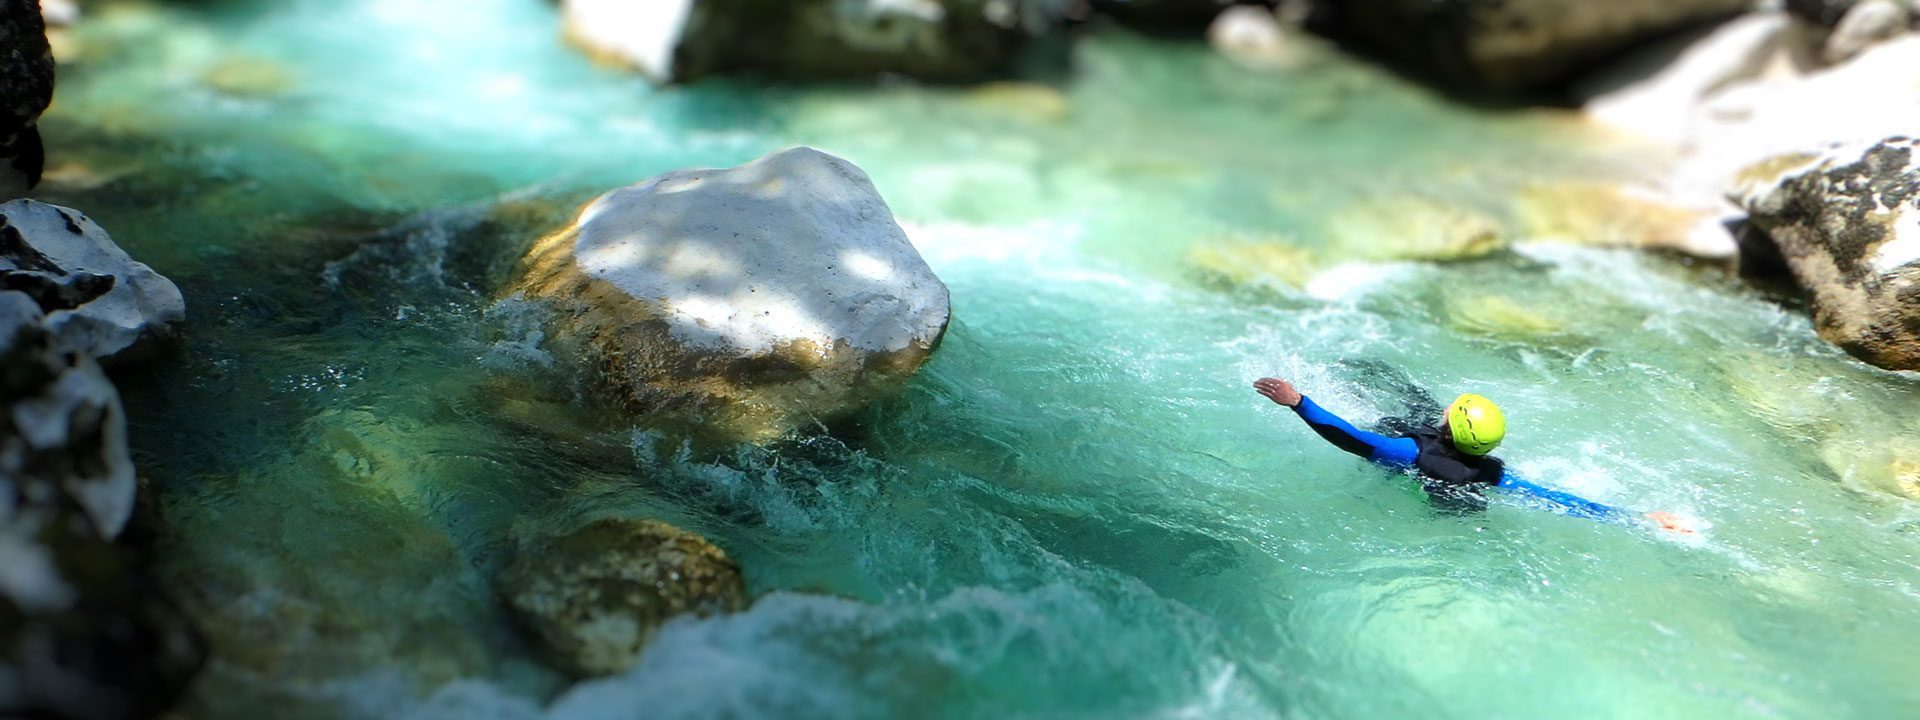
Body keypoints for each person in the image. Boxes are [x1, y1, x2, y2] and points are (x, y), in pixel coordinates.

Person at [1252, 376, 1693, 533]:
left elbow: (1351, 438)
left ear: (1450, 423)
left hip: (1414, 484)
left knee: (1397, 413)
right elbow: (1557, 499)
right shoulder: (1489, 472)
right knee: (1412, 397)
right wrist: (1638, 518)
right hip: (1455, 498)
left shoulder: (1407, 452)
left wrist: (1298, 402)